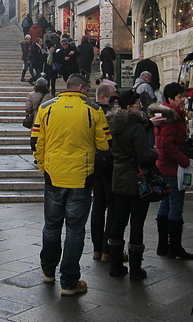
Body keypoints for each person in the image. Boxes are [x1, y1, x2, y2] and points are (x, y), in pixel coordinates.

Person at [32, 74, 111, 296]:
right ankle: (69, 281)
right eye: (85, 88)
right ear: (81, 87)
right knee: (75, 230)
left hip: (53, 174)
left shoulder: (47, 108)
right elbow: (105, 144)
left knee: (51, 225)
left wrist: (43, 166)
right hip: (81, 176)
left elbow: (37, 140)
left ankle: (48, 270)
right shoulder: (94, 110)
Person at [106, 90, 158, 281]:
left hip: (119, 177)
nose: (140, 106)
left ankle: (115, 264)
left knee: (119, 220)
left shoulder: (114, 125)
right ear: (129, 107)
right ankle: (136, 268)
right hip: (136, 180)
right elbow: (144, 156)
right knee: (137, 222)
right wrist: (155, 153)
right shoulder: (136, 128)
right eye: (137, 104)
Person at [149, 83, 193, 260]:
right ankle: (174, 247)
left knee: (166, 204)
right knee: (175, 205)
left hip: (164, 165)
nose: (183, 100)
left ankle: (163, 245)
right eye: (180, 97)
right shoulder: (172, 117)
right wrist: (184, 161)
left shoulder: (163, 115)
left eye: (183, 97)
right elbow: (167, 144)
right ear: (170, 99)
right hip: (172, 167)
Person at [91, 82, 117, 263]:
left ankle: (97, 249)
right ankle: (108, 248)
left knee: (98, 205)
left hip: (93, 162)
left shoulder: (88, 112)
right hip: (108, 163)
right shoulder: (108, 114)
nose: (116, 101)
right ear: (103, 97)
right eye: (113, 97)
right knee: (112, 205)